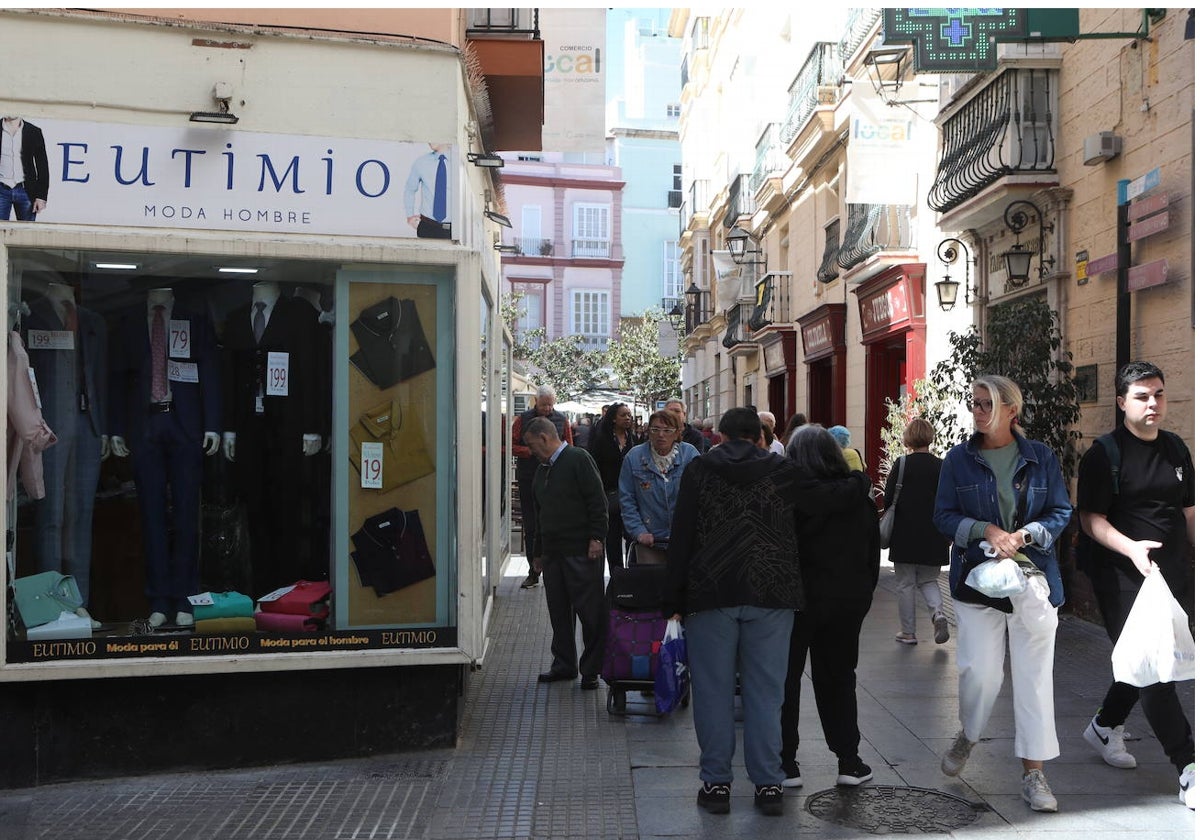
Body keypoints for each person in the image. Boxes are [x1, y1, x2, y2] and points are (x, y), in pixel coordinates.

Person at [933, 375, 1072, 813]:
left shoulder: (1041, 457)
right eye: (972, 403)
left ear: (1011, 411)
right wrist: (985, 530)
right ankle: (970, 732)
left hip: (1033, 578)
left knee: (1034, 677)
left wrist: (1026, 535)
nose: (976, 411)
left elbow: (1061, 510)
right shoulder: (958, 459)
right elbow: (942, 516)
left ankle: (1035, 774)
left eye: (985, 404)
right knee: (981, 672)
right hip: (979, 578)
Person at [664, 407, 806, 818]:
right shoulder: (783, 471)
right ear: (761, 436)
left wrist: (673, 599)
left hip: (712, 592)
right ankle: (768, 786)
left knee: (712, 691)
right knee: (766, 693)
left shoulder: (699, 470)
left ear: (721, 436)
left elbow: (682, 535)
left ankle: (716, 784)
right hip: (772, 592)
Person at [1076, 361, 1195, 808]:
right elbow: (1090, 520)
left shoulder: (1177, 449)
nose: (1153, 404)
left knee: (1142, 663)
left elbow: (1187, 511)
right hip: (1123, 578)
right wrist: (1130, 549)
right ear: (1122, 402)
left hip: (1173, 577)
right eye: (1143, 396)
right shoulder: (1104, 454)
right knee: (1153, 670)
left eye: (1159, 394)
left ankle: (1105, 726)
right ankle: (1188, 766)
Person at [109, 288, 222, 628]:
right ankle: (158, 599)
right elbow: (116, 377)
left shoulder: (193, 316)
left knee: (188, 514)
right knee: (151, 515)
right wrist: (114, 429)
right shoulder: (129, 320)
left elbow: (211, 369)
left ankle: (186, 598)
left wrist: (213, 424)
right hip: (145, 424)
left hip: (184, 423)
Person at [780, 424, 880, 790]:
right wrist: (860, 598)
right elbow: (872, 559)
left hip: (794, 603)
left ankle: (785, 763)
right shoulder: (861, 501)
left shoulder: (786, 499)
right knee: (838, 680)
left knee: (785, 682)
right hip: (844, 603)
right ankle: (849, 762)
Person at [222, 281, 323, 596]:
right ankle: (260, 590)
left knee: (287, 508)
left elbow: (311, 371)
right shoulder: (237, 318)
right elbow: (228, 374)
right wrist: (229, 428)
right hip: (249, 426)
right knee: (255, 509)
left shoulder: (297, 316)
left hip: (288, 425)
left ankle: (286, 589)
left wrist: (312, 427)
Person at [523, 416, 608, 691]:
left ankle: (591, 669)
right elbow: (539, 515)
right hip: (553, 553)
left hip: (581, 550)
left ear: (545, 438)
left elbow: (597, 500)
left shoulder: (578, 459)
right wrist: (537, 553)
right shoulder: (541, 471)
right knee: (558, 611)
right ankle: (564, 664)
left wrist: (597, 537)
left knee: (589, 611)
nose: (531, 452)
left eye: (532, 446)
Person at [883, 418, 950, 645]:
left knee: (905, 583)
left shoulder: (901, 464)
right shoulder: (942, 466)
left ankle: (909, 632)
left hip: (904, 533)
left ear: (909, 438)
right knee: (929, 580)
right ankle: (938, 613)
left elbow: (889, 496)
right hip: (934, 533)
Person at [511, 386, 573, 589]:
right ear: (535, 402)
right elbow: (510, 445)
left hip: (555, 477)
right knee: (531, 524)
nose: (547, 408)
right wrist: (529, 451)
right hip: (529, 477)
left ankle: (557, 569)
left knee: (557, 521)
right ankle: (533, 570)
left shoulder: (562, 420)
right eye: (544, 404)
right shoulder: (523, 419)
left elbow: (569, 447)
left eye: (550, 404)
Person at [618, 409, 699, 563]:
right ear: (648, 432)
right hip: (649, 540)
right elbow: (627, 499)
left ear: (677, 433)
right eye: (655, 430)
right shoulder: (634, 457)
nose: (661, 435)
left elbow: (701, 496)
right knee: (651, 584)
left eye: (667, 430)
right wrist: (639, 531)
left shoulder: (690, 454)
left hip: (684, 540)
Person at [589, 402, 637, 576]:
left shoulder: (633, 439)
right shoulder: (602, 439)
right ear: (613, 418)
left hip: (631, 497)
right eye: (623, 415)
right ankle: (616, 578)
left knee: (633, 538)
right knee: (613, 541)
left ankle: (632, 577)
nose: (627, 418)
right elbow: (595, 467)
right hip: (610, 496)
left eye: (629, 415)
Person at [0, 116, 49, 221]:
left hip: (26, 190)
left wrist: (41, 196)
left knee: (27, 233)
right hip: (1, 189)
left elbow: (42, 165)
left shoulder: (34, 131)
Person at [404, 143, 452, 239]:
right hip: (427, 226)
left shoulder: (459, 162)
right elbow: (410, 189)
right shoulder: (421, 162)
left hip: (453, 229)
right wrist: (410, 215)